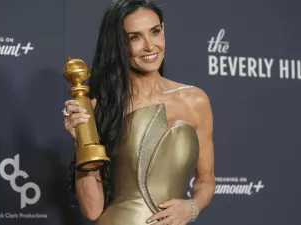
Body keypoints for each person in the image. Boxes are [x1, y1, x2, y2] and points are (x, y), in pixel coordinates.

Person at [63, 0, 215, 224]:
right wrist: (81, 143)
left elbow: (206, 179)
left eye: (154, 32)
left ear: (163, 29)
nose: (150, 46)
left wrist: (192, 207)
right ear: (119, 44)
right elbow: (93, 209)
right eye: (135, 37)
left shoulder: (195, 100)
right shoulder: (103, 105)